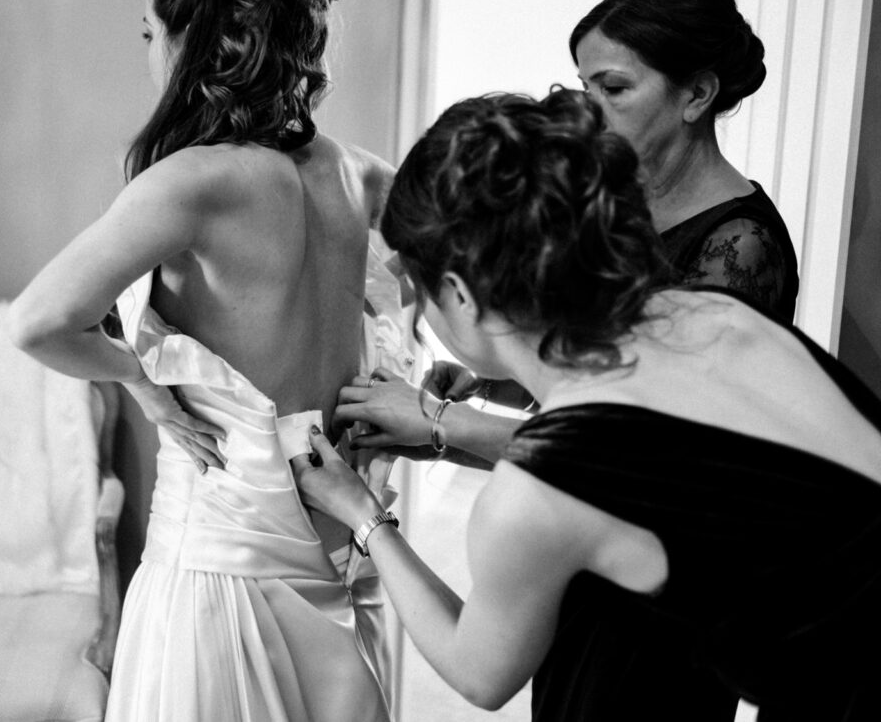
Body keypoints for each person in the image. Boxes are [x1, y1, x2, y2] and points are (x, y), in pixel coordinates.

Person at [293, 88, 881, 720]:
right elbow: (671, 461)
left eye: (419, 287)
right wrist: (491, 398)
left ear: (461, 295)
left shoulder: (532, 497)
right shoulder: (712, 312)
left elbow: (480, 673)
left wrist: (363, 516)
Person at [10, 0, 411, 722]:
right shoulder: (356, 174)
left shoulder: (190, 184)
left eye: (152, 32)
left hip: (215, 584)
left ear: (208, 42)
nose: (148, 52)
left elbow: (38, 322)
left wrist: (143, 376)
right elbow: (433, 290)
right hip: (339, 565)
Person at [340, 0, 800, 468]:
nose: (590, 109)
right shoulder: (611, 200)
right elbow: (604, 382)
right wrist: (499, 385)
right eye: (587, 86)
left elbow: (651, 460)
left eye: (615, 88)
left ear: (696, 95)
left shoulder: (742, 247)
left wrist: (444, 424)